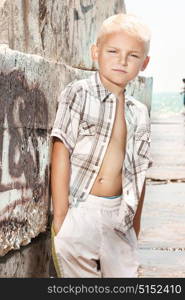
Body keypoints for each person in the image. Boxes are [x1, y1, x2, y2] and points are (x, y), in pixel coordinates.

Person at [50, 13, 151, 278]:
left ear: (144, 63)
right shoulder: (79, 93)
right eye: (113, 51)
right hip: (82, 209)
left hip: (119, 214)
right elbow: (61, 150)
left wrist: (134, 227)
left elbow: (139, 174)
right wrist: (61, 217)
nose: (122, 60)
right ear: (96, 52)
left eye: (133, 55)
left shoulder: (139, 112)